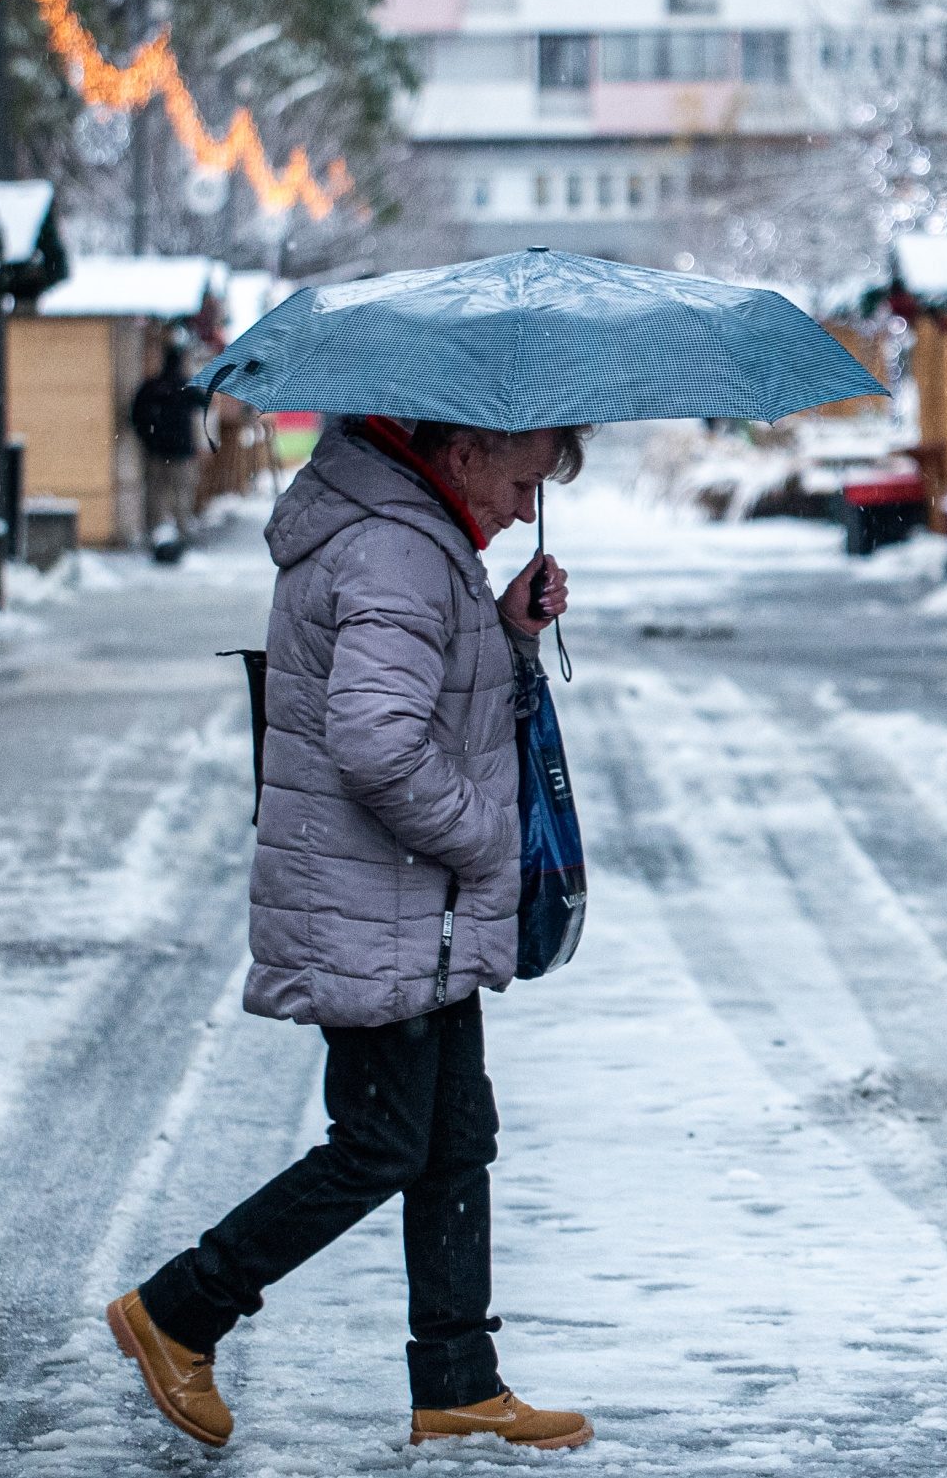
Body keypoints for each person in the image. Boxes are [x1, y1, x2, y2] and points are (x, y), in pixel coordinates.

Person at [109, 413, 593, 1451]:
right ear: (462, 450)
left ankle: (458, 1378)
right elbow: (377, 746)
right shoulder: (395, 548)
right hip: (380, 900)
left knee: (456, 1137)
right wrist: (485, 839)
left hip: (411, 905)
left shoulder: (413, 534)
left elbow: (428, 701)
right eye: (518, 480)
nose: (520, 507)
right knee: (380, 1141)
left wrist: (506, 629)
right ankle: (180, 1309)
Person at [130, 341, 212, 561]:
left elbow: (135, 415)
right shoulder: (185, 385)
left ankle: (155, 537)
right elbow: (205, 402)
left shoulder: (151, 387)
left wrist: (148, 439)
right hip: (182, 452)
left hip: (157, 452)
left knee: (156, 497)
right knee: (182, 498)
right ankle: (182, 537)